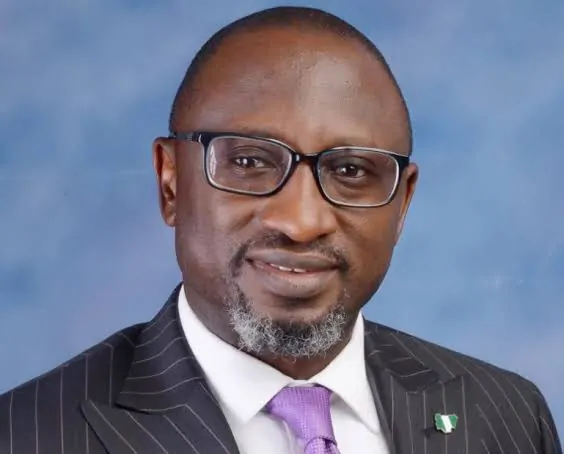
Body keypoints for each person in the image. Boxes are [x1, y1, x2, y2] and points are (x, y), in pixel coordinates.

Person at [0, 6, 560, 454]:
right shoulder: (29, 435)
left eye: (350, 171)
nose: (301, 222)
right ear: (171, 183)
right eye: (248, 162)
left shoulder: (507, 418)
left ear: (403, 203)